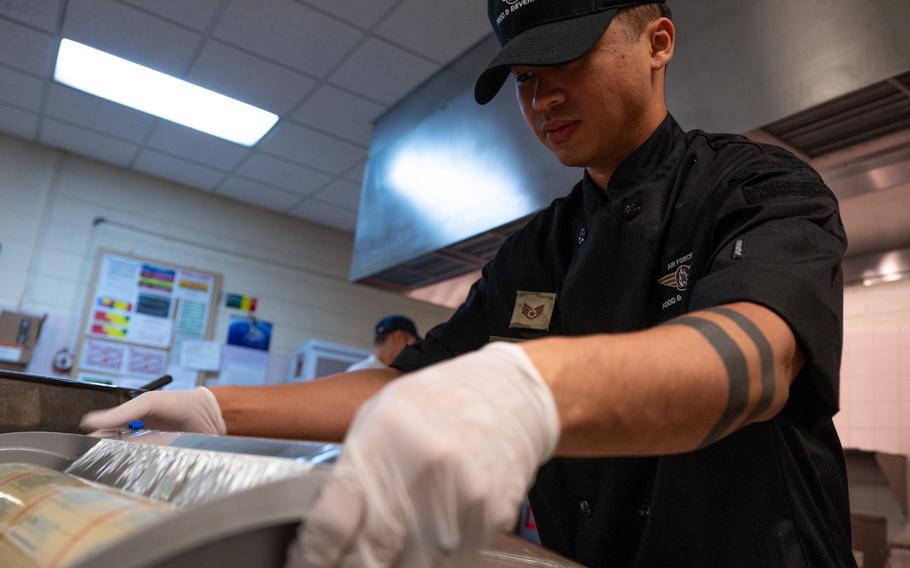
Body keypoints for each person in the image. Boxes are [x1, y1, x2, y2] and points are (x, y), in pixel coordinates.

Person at [81, 1, 856, 566]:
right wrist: (216, 409)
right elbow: (409, 383)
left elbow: (753, 359)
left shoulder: (755, 186)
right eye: (524, 77)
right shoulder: (537, 249)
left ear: (658, 42)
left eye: (567, 62)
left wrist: (524, 390)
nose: (541, 98)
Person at [346, 315, 420, 372]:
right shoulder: (362, 372)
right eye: (413, 343)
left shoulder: (361, 371)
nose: (413, 350)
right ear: (398, 337)